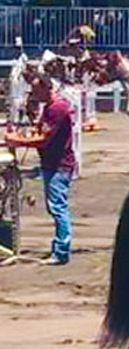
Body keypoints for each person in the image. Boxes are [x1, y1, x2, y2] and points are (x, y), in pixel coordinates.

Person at [5, 73, 76, 265]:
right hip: (52, 163)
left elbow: (43, 140)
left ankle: (61, 251)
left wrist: (16, 141)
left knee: (57, 207)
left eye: (37, 91)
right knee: (55, 206)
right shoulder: (51, 108)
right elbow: (40, 133)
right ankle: (60, 248)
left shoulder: (57, 109)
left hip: (59, 164)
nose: (34, 95)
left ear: (47, 87)